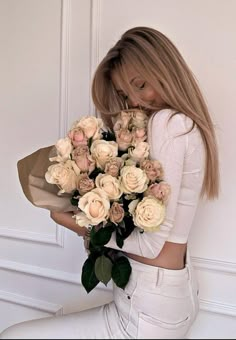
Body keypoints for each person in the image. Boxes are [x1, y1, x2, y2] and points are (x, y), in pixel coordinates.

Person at [0, 26, 219, 339]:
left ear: (165, 70)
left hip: (149, 307)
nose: (135, 100)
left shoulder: (168, 123)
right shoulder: (185, 124)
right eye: (125, 94)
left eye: (141, 85)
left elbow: (153, 245)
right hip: (165, 296)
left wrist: (82, 227)